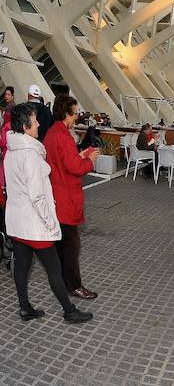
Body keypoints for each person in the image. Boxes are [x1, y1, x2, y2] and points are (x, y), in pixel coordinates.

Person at [4, 103, 93, 323]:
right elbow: (37, 196)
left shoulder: (11, 152)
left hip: (17, 223)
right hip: (35, 225)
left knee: (22, 267)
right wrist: (50, 223)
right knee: (54, 269)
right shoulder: (30, 156)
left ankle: (25, 307)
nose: (39, 124)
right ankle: (69, 311)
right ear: (25, 126)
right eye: (35, 121)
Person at [43, 95, 99, 300]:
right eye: (74, 113)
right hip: (65, 197)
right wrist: (90, 160)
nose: (76, 117)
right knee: (71, 245)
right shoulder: (63, 135)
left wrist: (79, 156)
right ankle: (73, 285)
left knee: (61, 244)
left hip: (56, 194)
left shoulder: (52, 133)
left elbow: (63, 161)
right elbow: (75, 168)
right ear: (67, 114)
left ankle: (61, 281)